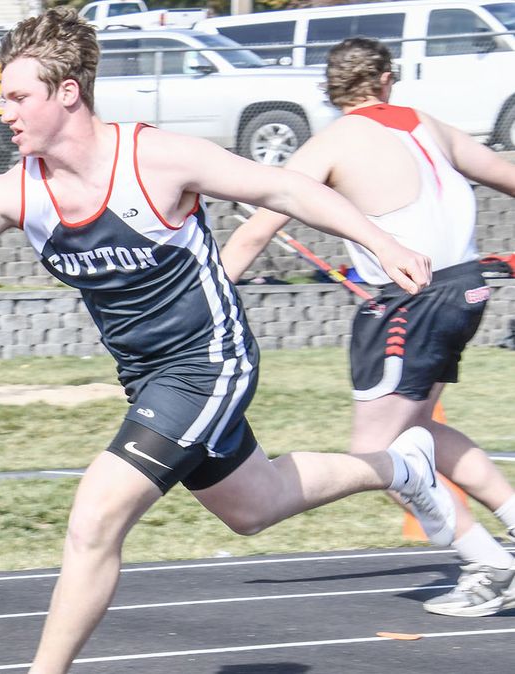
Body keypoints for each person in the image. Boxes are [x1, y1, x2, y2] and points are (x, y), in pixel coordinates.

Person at [0, 9, 455, 672]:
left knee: (94, 516)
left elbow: (284, 189)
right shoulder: (19, 192)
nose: (2, 110)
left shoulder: (155, 159)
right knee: (257, 506)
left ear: (67, 93)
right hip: (150, 379)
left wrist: (380, 238)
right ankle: (401, 467)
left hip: (208, 363)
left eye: (16, 96)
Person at [220, 37, 515, 619]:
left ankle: (489, 564)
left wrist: (202, 303)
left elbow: (254, 232)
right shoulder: (430, 126)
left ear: (333, 90)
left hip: (411, 299)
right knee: (421, 430)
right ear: (385, 81)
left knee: (377, 454)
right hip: (466, 289)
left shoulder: (329, 144)